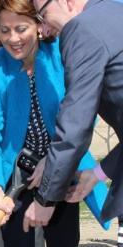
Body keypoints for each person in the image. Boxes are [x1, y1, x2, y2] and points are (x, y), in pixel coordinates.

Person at [0, 0, 106, 246]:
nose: (13, 39)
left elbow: (83, 113)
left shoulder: (61, 55)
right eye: (4, 30)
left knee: (65, 240)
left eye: (21, 28)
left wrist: (53, 160)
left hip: (62, 169)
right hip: (14, 176)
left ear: (38, 25)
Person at [29, 0, 123, 231]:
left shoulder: (82, 29)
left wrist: (46, 198)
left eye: (42, 16)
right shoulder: (115, 11)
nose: (43, 30)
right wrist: (96, 174)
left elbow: (75, 126)